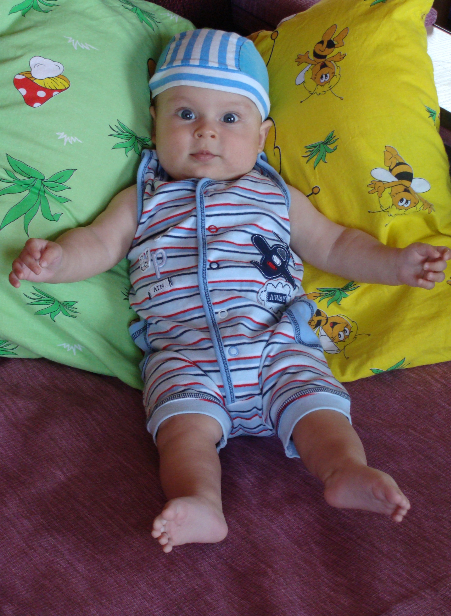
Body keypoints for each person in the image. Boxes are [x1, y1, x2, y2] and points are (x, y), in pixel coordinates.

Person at [9, 29, 450, 553]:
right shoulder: (142, 198)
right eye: (185, 114)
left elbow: (335, 245)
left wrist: (397, 264)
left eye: (230, 119)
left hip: (277, 346)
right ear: (155, 121)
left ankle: (344, 470)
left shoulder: (277, 195)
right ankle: (200, 501)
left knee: (319, 410)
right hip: (185, 356)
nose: (206, 132)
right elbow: (99, 244)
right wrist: (58, 261)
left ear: (262, 137)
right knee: (181, 434)